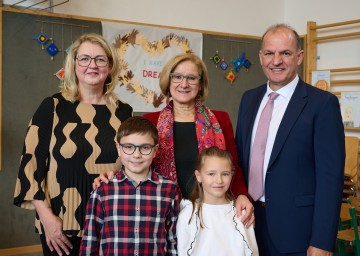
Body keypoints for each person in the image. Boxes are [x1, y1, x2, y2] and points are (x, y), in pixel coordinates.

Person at [94, 53, 255, 226]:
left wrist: (242, 195)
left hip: (212, 213)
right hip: (163, 213)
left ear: (200, 84)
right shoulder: (150, 121)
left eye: (191, 78)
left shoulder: (221, 119)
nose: (184, 84)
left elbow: (233, 166)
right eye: (177, 77)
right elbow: (137, 161)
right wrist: (113, 175)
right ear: (168, 82)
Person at [13, 33, 133, 256]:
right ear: (74, 64)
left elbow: (134, 164)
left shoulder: (124, 112)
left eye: (100, 59)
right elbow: (31, 166)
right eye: (85, 58)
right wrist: (47, 218)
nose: (92, 65)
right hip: (61, 223)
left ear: (110, 65)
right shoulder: (53, 107)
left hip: (112, 221)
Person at [235, 24, 345, 255]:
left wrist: (323, 241)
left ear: (299, 56)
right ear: (261, 57)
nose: (276, 61)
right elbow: (240, 160)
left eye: (285, 53)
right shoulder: (248, 99)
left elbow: (330, 178)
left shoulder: (322, 104)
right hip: (248, 223)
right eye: (269, 53)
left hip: (298, 233)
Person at [80, 116, 180, 255]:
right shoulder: (102, 190)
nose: (136, 155)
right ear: (119, 149)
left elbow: (173, 240)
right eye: (128, 147)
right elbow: (90, 240)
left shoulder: (169, 189)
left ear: (155, 150)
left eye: (145, 147)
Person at [177, 146, 258, 256]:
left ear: (232, 175)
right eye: (211, 174)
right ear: (199, 176)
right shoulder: (187, 215)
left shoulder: (242, 214)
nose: (219, 180)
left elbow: (253, 251)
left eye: (225, 174)